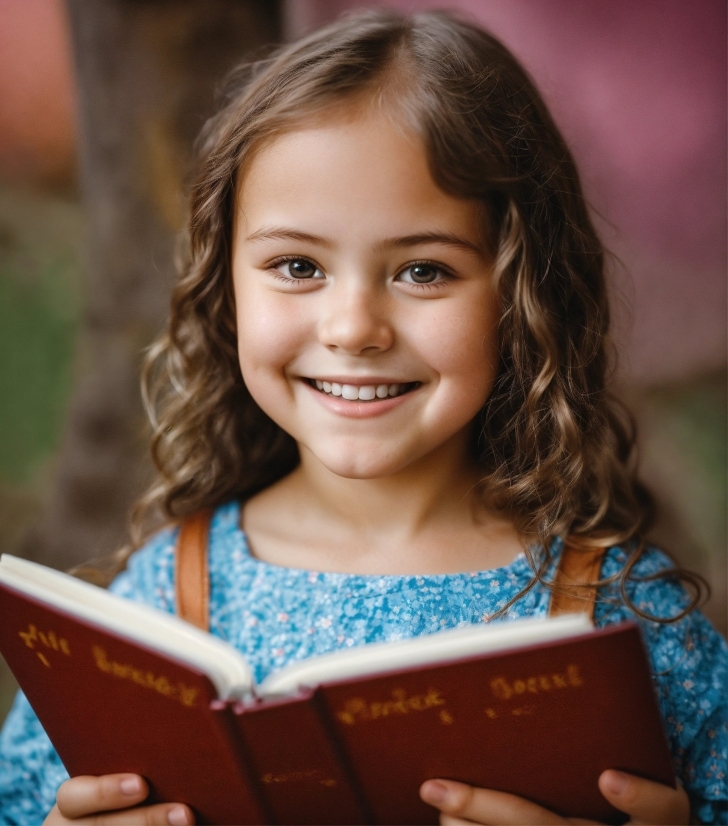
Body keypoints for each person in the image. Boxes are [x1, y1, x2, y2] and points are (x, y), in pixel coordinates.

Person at [1, 9, 726, 825]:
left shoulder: (616, 613)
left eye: (422, 270)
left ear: (523, 294)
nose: (352, 327)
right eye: (297, 266)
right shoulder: (166, 598)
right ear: (224, 288)